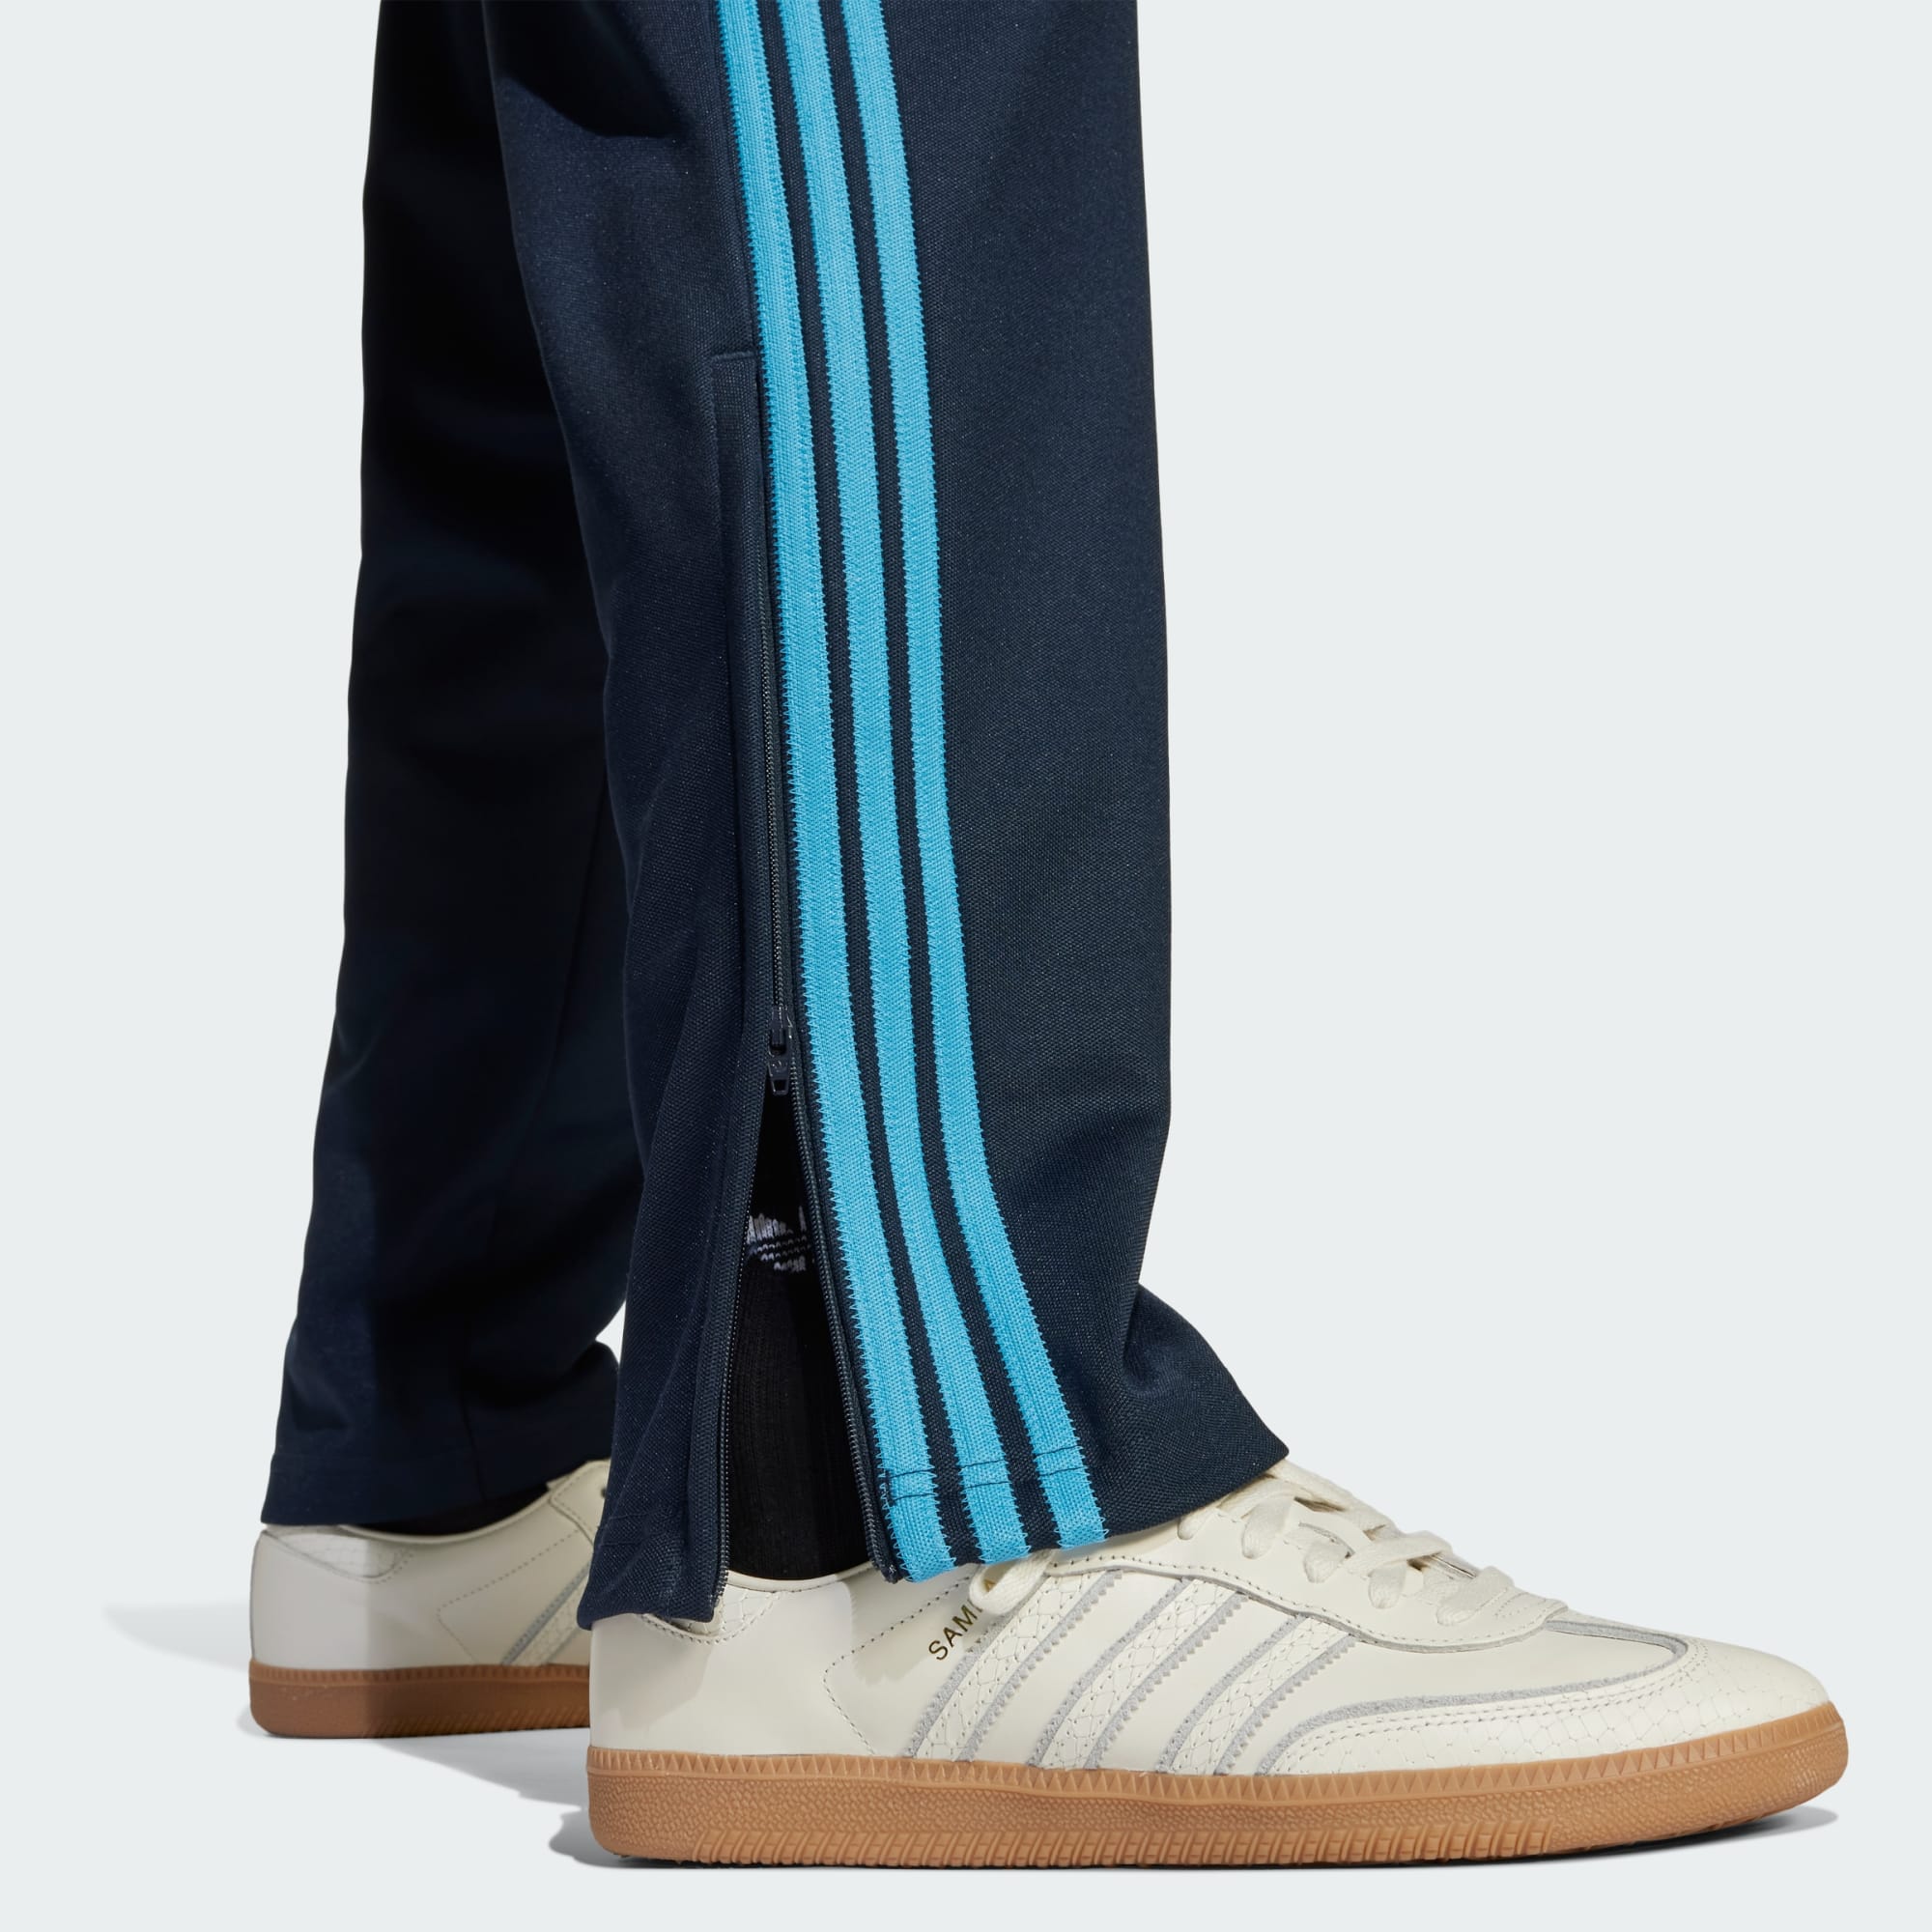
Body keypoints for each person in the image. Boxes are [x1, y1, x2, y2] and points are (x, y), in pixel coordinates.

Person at [249, 0, 1844, 1864]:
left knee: (614, 130)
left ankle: (450, 1441)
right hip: (889, 1527)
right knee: (882, 57)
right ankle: (889, 1513)